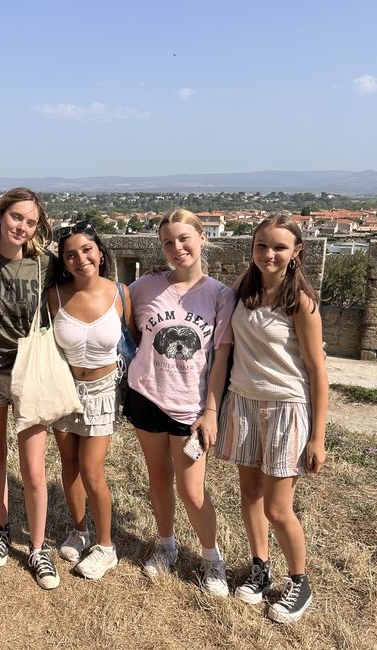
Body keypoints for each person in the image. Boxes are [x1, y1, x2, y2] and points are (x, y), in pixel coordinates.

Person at [215, 215, 327, 623]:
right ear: (252, 248)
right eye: (262, 245)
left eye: (279, 247)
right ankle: (260, 567)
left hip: (286, 407)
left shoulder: (300, 302)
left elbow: (317, 371)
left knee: (279, 508)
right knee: (250, 497)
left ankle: (300, 581)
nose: (269, 254)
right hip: (243, 403)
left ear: (296, 252)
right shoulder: (243, 291)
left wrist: (318, 437)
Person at [123, 208, 234, 597]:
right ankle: (166, 545)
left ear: (203, 238)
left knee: (193, 490)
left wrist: (211, 411)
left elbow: (220, 357)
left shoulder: (220, 294)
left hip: (190, 407)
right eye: (168, 242)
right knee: (157, 478)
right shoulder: (142, 288)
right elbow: (130, 331)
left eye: (184, 238)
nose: (177, 247)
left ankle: (211, 558)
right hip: (147, 396)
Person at [0, 188, 60, 589]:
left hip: (30, 374)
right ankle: (2, 530)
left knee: (34, 470)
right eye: (17, 217)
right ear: (1, 216)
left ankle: (38, 548)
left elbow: (91, 276)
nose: (22, 227)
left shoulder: (45, 265)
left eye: (31, 221)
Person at [48, 221, 133, 580]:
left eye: (87, 250)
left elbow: (136, 337)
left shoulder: (121, 294)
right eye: (71, 254)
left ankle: (106, 545)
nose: (80, 258)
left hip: (102, 391)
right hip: (65, 390)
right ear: (63, 262)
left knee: (92, 471)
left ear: (100, 252)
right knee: (69, 465)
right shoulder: (54, 295)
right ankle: (79, 530)